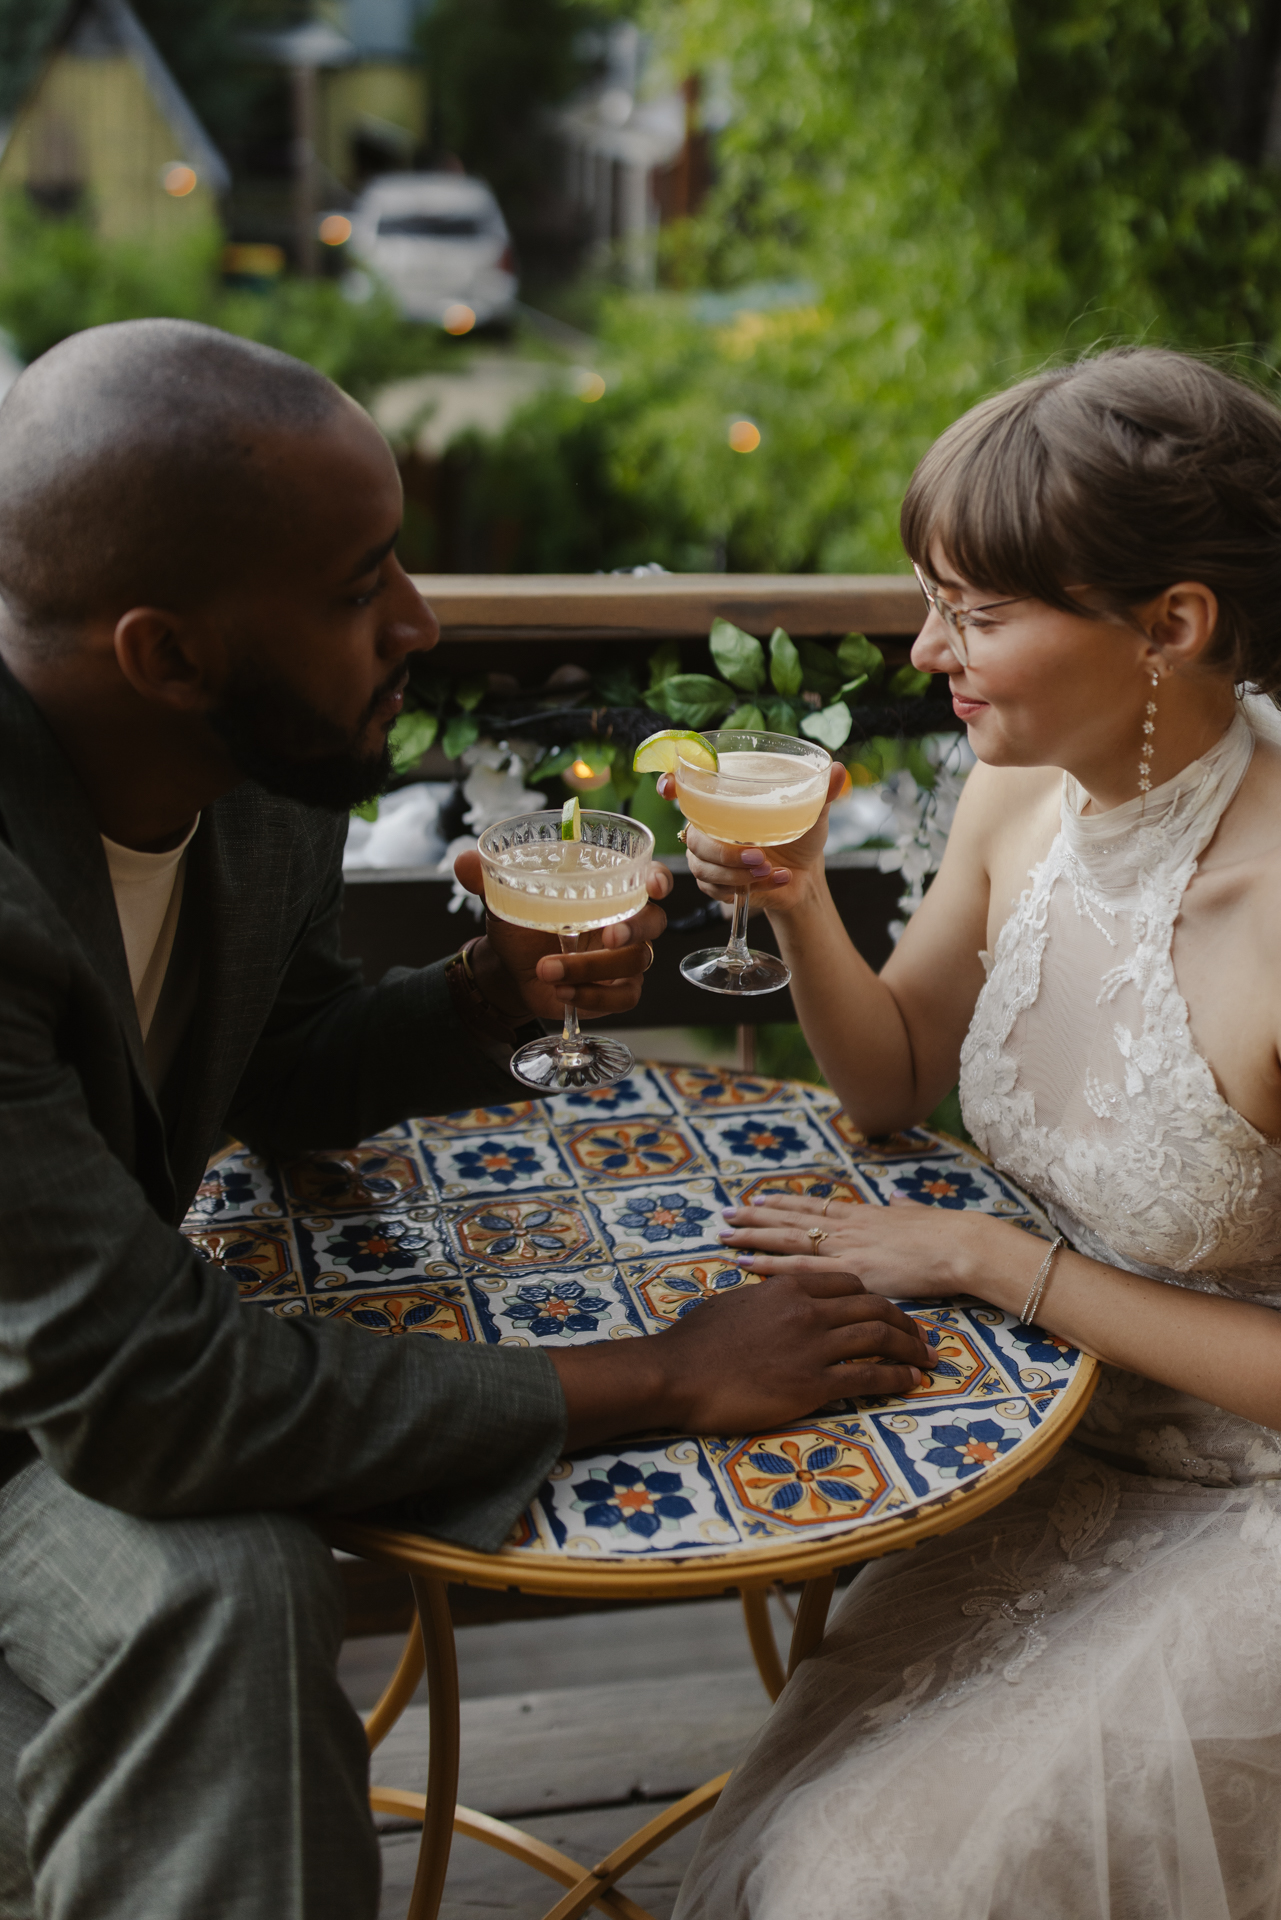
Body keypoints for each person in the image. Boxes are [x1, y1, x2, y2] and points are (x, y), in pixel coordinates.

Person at [0, 319, 934, 1920]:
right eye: (362, 587)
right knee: (219, 1580)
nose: (421, 623)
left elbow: (271, 1064)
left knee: (227, 1583)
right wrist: (661, 1370)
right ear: (166, 654)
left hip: (57, 1391)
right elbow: (155, 1394)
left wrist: (485, 1000)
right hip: (71, 1402)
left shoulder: (244, 792)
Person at [669, 347, 1281, 1919]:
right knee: (806, 1844)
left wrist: (985, 1258)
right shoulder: (1019, 799)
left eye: (978, 611)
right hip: (1038, 1448)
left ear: (1173, 624)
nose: (926, 646)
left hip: (1251, 1501)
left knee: (860, 1885)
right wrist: (798, 899)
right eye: (929, 596)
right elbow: (886, 1079)